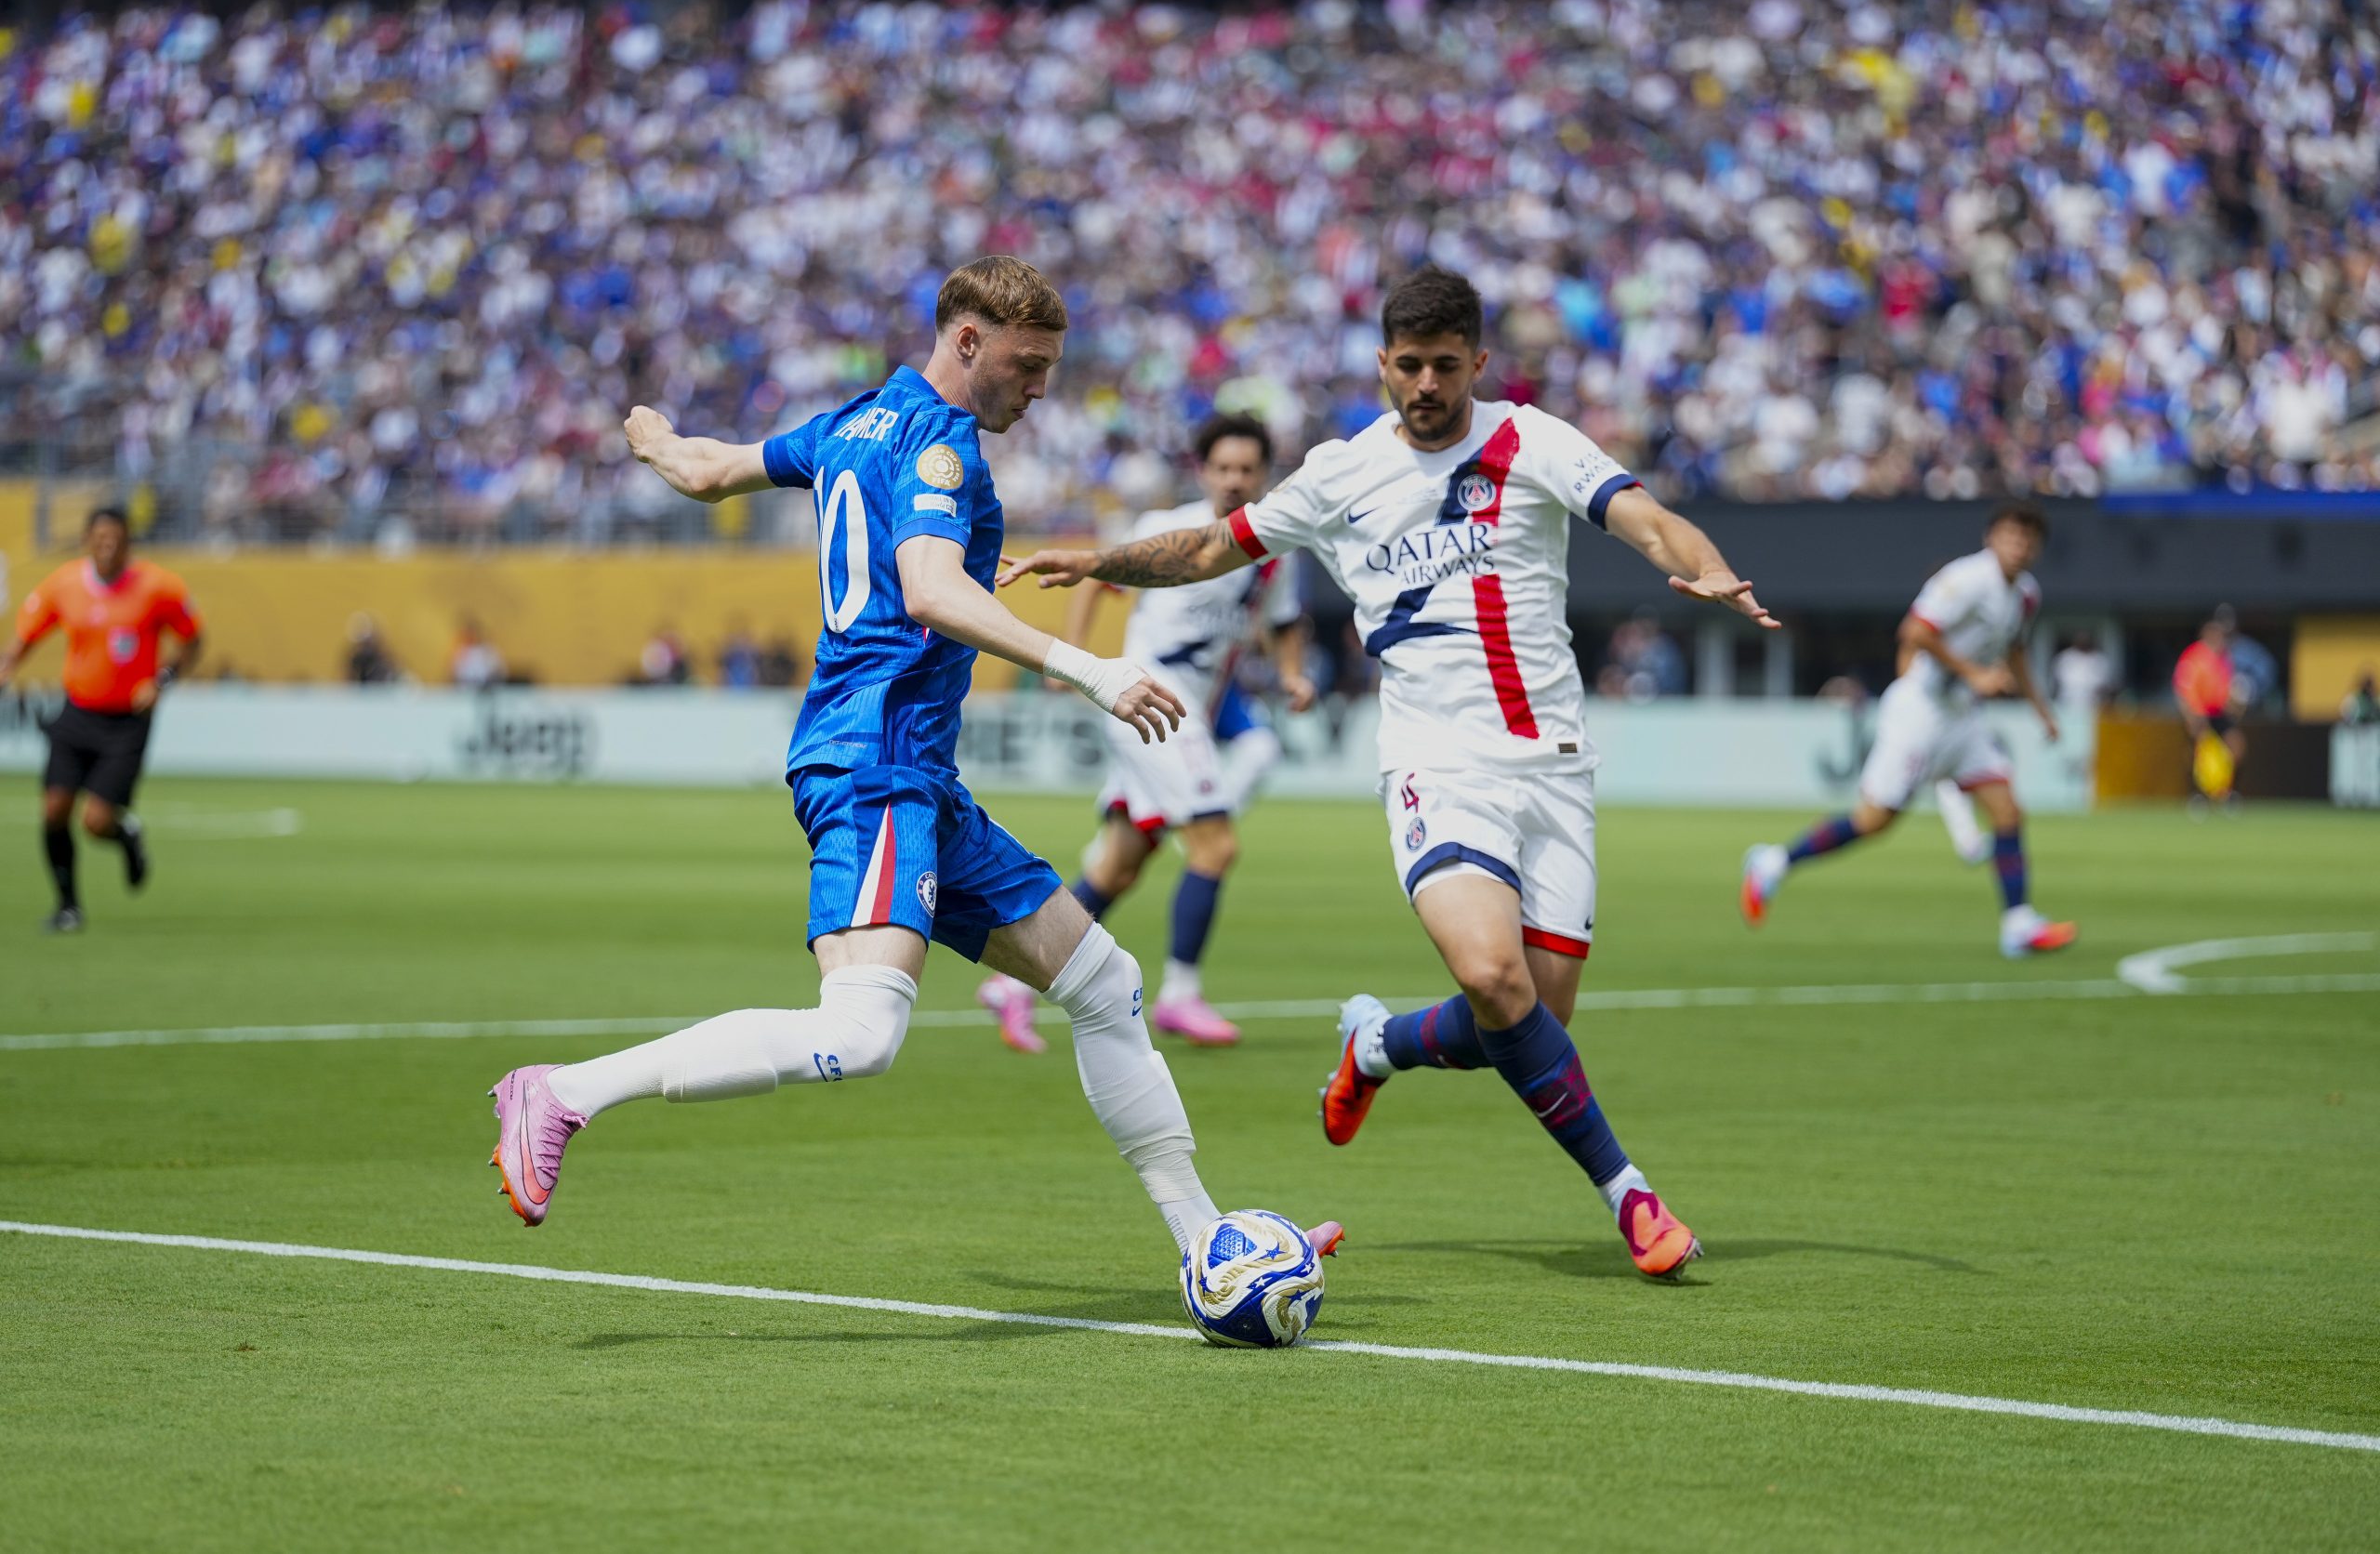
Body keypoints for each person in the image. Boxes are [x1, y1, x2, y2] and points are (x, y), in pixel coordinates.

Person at [483, 257, 1341, 1268]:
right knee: (859, 1034)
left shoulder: (851, 422)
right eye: (1028, 365)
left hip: (916, 774)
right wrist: (1091, 669)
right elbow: (931, 588)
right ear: (968, 341)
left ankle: (1205, 1241)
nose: (1041, 389)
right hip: (875, 761)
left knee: (1104, 982)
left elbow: (709, 472)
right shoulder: (940, 447)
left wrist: (656, 439)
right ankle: (564, 1092)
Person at [1002, 266, 1777, 1280]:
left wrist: (1705, 565)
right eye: (1408, 365)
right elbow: (1210, 548)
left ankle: (1378, 1045)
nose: (1426, 385)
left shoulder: (1532, 441)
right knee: (1492, 977)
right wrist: (1098, 560)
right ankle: (1630, 1195)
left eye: (1445, 366)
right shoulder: (1342, 472)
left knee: (1533, 1019)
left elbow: (1647, 518)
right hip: (1434, 763)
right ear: (1381, 363)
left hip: (1553, 766)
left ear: (1478, 362)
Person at [977, 414, 1316, 1054]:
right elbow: (1094, 579)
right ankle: (1181, 995)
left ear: (1263, 475)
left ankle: (1013, 983)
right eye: (1224, 468)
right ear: (1203, 472)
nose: (1235, 480)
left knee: (1119, 867)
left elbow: (1284, 624)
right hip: (1150, 697)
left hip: (1192, 707)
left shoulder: (1273, 552)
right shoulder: (1165, 529)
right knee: (1215, 846)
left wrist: (1292, 674)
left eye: (1247, 469)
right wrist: (1074, 659)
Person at [1742, 504, 2077, 959]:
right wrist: (1974, 674)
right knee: (1873, 821)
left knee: (2007, 810)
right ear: (1991, 538)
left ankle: (2018, 924)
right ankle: (1774, 862)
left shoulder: (2025, 595)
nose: (2020, 546)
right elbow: (1914, 631)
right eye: (2011, 536)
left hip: (1961, 715)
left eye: (2028, 540)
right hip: (1922, 709)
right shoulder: (1965, 579)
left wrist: (2042, 710)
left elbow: (2015, 649)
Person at [0, 507, 205, 933]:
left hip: (128, 720)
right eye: (100, 538)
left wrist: (162, 680)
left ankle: (126, 836)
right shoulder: (65, 584)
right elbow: (28, 632)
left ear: (128, 543)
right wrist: (8, 664)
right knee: (54, 809)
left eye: (116, 538)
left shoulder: (158, 587)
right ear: (87, 540)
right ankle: (68, 906)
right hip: (77, 712)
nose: (108, 545)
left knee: (95, 822)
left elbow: (192, 639)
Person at [2175, 616, 2244, 807]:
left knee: (2236, 746)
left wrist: (2235, 704)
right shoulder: (2194, 656)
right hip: (2199, 713)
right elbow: (2183, 688)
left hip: (2219, 713)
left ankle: (2228, 792)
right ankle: (2198, 795)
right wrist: (2191, 716)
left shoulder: (2224, 658)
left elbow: (2226, 689)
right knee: (2199, 753)